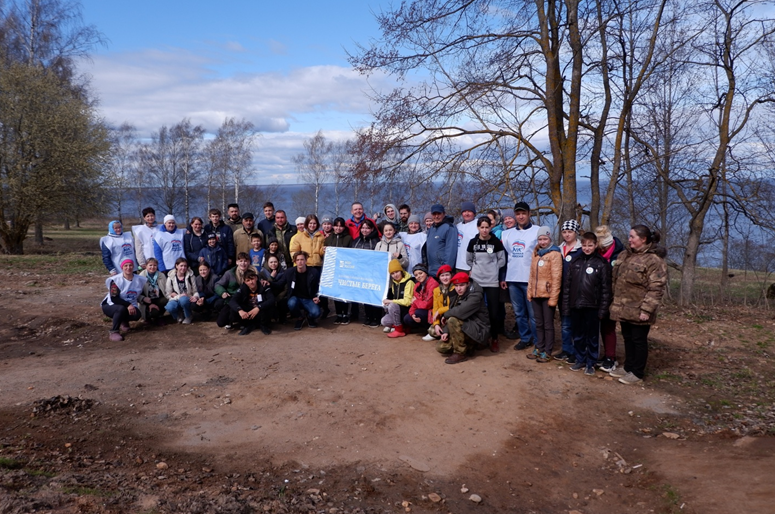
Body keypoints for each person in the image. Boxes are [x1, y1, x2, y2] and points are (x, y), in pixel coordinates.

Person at [608, 225, 668, 385]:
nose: (629, 240)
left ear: (644, 239)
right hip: (623, 307)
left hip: (640, 309)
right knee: (627, 338)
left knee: (638, 340)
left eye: (632, 237)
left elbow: (656, 288)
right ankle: (628, 367)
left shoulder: (654, 260)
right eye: (629, 236)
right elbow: (615, 280)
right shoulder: (624, 255)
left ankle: (637, 372)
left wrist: (647, 310)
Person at [562, 232, 612, 376]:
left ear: (596, 245)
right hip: (576, 305)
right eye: (584, 245)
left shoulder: (601, 264)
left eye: (590, 245)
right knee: (578, 335)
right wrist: (566, 306)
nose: (587, 248)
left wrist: (603, 309)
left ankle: (591, 362)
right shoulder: (575, 262)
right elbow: (567, 286)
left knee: (592, 337)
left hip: (593, 307)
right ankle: (580, 359)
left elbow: (605, 289)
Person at [501, 202, 539, 349]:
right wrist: (503, 277)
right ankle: (525, 337)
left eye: (523, 213)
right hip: (512, 279)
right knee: (519, 313)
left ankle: (538, 340)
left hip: (530, 279)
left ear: (529, 214)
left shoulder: (537, 231)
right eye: (518, 214)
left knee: (533, 314)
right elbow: (503, 258)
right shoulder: (507, 234)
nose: (521, 216)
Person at [467, 216, 506, 352]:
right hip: (477, 281)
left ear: (491, 227)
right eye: (482, 227)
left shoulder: (496, 242)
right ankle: (481, 337)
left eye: (487, 227)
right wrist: (476, 269)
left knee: (493, 312)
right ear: (478, 228)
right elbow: (468, 260)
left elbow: (502, 260)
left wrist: (493, 268)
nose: (484, 230)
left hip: (492, 281)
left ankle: (494, 338)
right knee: (477, 310)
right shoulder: (473, 242)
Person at [434, 272, 490, 364]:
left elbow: (460, 312)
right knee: (441, 347)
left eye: (461, 285)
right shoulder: (455, 294)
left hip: (479, 328)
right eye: (456, 286)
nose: (458, 289)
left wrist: (445, 315)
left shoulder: (475, 295)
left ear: (468, 284)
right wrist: (446, 331)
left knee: (452, 319)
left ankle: (460, 353)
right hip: (466, 326)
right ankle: (470, 346)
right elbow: (454, 310)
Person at [525, 227, 562, 363]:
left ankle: (547, 350)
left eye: (545, 239)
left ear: (550, 238)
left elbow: (556, 277)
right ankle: (539, 347)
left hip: (547, 295)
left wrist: (553, 297)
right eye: (540, 239)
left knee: (547, 324)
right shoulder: (536, 254)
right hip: (535, 294)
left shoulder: (555, 254)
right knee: (538, 323)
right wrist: (529, 292)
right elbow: (531, 276)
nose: (542, 242)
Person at [596, 224, 626, 372]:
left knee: (608, 328)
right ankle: (598, 354)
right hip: (596, 294)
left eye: (603, 249)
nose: (602, 251)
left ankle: (610, 357)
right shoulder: (596, 253)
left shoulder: (620, 254)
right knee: (597, 326)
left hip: (612, 295)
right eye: (599, 248)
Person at [554, 219, 583, 363]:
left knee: (576, 322)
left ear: (575, 233)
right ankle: (566, 349)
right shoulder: (558, 249)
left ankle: (577, 350)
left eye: (570, 232)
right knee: (565, 322)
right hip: (561, 291)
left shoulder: (581, 250)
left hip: (576, 292)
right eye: (564, 232)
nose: (567, 235)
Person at [101, 259, 146, 341]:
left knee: (137, 314)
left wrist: (144, 299)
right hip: (110, 304)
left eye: (130, 265)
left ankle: (123, 321)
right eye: (126, 266)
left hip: (130, 304)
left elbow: (140, 293)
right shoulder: (116, 280)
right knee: (120, 309)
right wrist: (128, 305)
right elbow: (114, 298)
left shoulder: (139, 279)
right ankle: (114, 331)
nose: (128, 267)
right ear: (122, 267)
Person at [350, 218, 381, 326]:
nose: (365, 230)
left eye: (367, 228)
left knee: (374, 295)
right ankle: (368, 316)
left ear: (372, 229)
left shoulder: (377, 241)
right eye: (363, 228)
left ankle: (376, 317)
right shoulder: (356, 241)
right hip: (360, 273)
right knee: (365, 296)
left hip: (373, 273)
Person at [225, 269, 275, 336]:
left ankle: (264, 326)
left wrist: (258, 307)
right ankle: (247, 326)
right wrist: (240, 310)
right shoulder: (243, 288)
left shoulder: (264, 286)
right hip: (248, 312)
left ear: (256, 278)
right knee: (234, 309)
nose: (251, 282)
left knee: (269, 306)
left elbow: (272, 299)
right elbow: (233, 300)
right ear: (245, 282)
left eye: (252, 279)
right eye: (248, 280)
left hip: (260, 311)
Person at [325, 217, 353, 324]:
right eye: (336, 226)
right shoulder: (328, 238)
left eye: (340, 226)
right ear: (333, 226)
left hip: (345, 270)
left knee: (344, 293)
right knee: (335, 293)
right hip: (333, 270)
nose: (338, 228)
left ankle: (345, 314)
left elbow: (351, 254)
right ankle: (338, 314)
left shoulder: (348, 238)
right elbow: (324, 253)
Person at [285, 251, 321, 330]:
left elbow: (319, 286)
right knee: (291, 303)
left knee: (316, 313)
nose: (300, 262)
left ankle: (309, 317)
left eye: (302, 259)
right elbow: (280, 282)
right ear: (295, 261)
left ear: (306, 260)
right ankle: (300, 317)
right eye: (297, 260)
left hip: (309, 299)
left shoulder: (313, 272)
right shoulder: (289, 272)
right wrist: (269, 282)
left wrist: (317, 296)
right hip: (296, 298)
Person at [215, 253, 257, 320]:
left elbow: (258, 283)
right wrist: (223, 292)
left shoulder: (254, 273)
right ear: (237, 262)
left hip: (247, 300)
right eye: (241, 261)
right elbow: (218, 285)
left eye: (245, 261)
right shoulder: (229, 273)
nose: (243, 263)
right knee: (221, 321)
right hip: (231, 299)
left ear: (249, 262)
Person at [381, 259, 416, 337]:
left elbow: (408, 302)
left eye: (397, 272)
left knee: (392, 305)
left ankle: (399, 330)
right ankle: (403, 327)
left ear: (401, 271)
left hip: (408, 311)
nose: (395, 275)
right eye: (392, 273)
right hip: (399, 311)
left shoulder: (409, 282)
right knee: (384, 321)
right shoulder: (394, 283)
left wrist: (390, 301)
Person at [422, 265, 455, 342]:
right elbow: (435, 308)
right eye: (442, 275)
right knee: (432, 330)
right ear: (439, 278)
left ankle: (447, 334)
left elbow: (454, 306)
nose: (445, 278)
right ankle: (442, 332)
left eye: (447, 275)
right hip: (441, 318)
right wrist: (436, 324)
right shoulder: (436, 290)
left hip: (452, 315)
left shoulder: (455, 288)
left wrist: (440, 311)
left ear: (451, 276)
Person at [423, 204, 458, 276]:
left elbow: (451, 250)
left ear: (444, 214)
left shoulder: (449, 227)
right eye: (434, 214)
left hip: (443, 272)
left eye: (439, 214)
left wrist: (446, 270)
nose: (436, 216)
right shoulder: (431, 229)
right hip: (432, 271)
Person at [404, 263, 438, 335]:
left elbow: (427, 304)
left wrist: (416, 301)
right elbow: (413, 304)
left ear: (426, 272)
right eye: (416, 275)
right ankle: (423, 329)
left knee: (419, 313)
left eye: (420, 273)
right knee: (407, 318)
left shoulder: (433, 284)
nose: (418, 276)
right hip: (421, 310)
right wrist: (412, 314)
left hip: (432, 311)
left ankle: (430, 328)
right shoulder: (417, 285)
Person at [165, 257, 199, 324]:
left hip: (188, 298)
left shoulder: (191, 276)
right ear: (176, 266)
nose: (183, 268)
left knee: (183, 300)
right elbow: (168, 294)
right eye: (181, 266)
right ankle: (179, 315)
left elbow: (195, 290)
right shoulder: (170, 277)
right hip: (175, 299)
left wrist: (195, 297)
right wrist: (178, 296)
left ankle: (188, 316)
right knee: (169, 307)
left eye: (185, 266)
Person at [138, 257, 168, 325]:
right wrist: (149, 304)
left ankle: (160, 316)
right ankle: (147, 317)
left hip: (158, 298)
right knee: (153, 312)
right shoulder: (141, 276)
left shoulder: (161, 275)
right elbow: (139, 293)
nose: (152, 267)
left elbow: (166, 288)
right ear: (146, 266)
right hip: (147, 300)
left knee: (165, 300)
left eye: (155, 265)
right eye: (150, 265)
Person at [259, 254, 288, 323]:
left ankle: (282, 318)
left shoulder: (284, 272)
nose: (273, 264)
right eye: (271, 262)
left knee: (283, 301)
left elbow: (286, 287)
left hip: (280, 294)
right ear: (267, 263)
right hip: (268, 295)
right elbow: (264, 287)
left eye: (275, 262)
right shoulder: (262, 273)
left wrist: (279, 297)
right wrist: (271, 278)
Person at [455, 201, 479, 272]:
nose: (467, 214)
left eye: (469, 211)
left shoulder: (478, 224)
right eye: (464, 211)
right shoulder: (458, 226)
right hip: (458, 265)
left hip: (472, 266)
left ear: (474, 213)